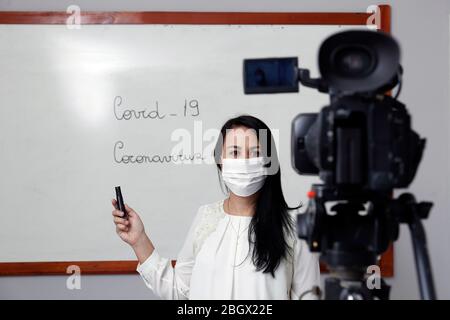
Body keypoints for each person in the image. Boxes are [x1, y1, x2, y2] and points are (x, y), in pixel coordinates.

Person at [111, 115, 320, 299]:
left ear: (268, 162)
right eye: (235, 152)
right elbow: (180, 291)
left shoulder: (295, 227)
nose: (244, 162)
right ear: (221, 160)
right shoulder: (206, 217)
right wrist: (139, 241)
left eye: (254, 152)